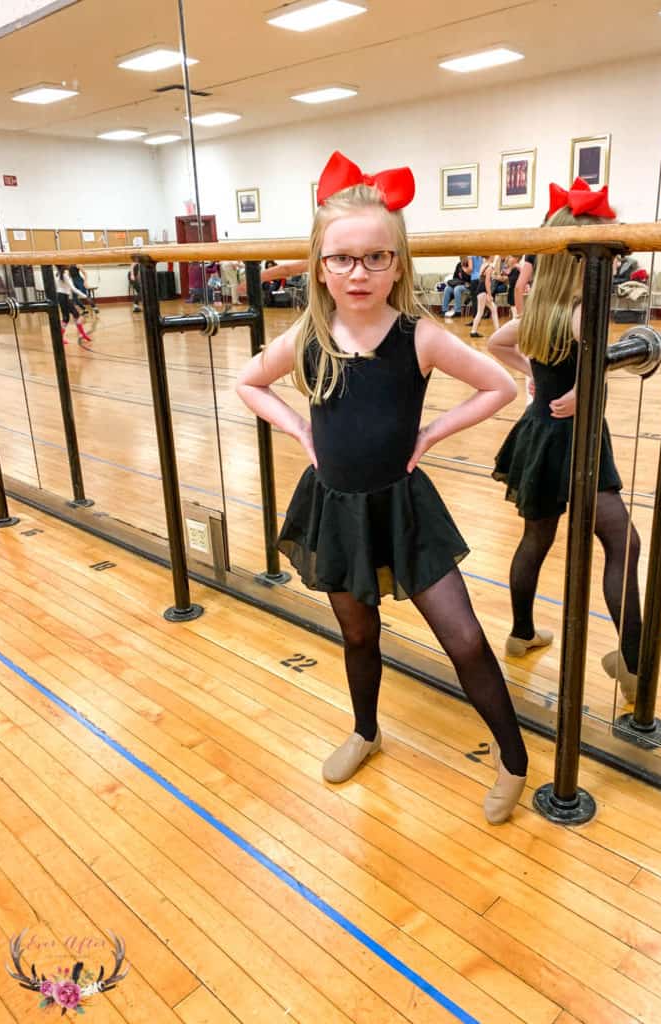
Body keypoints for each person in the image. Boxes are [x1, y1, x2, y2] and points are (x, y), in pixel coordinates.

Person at [236, 150, 528, 824]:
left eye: (375, 257)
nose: (358, 272)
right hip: (335, 509)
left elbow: (501, 385)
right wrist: (299, 434)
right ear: (320, 267)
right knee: (358, 634)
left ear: (398, 263)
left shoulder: (418, 335)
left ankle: (513, 759)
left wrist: (431, 437)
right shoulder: (309, 333)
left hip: (404, 511)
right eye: (342, 258)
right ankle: (366, 731)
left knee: (463, 639)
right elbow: (249, 383)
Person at [488, 178, 643, 703]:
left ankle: (521, 632)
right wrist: (582, 389)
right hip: (572, 438)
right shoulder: (583, 311)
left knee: (537, 537)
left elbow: (496, 341)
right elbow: (597, 364)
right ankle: (635, 663)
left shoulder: (541, 310)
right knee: (623, 542)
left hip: (539, 432)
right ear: (580, 261)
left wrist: (533, 372)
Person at [55, 265, 92, 344]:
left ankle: (82, 335)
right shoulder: (64, 274)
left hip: (63, 297)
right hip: (63, 297)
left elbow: (66, 288)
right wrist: (85, 296)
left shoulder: (59, 273)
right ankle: (82, 335)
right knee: (69, 317)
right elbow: (73, 288)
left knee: (73, 316)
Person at [469, 256, 500, 338]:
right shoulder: (489, 267)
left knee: (493, 308)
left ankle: (497, 329)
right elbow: (487, 282)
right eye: (493, 256)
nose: (494, 257)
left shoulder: (483, 265)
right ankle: (473, 331)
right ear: (490, 257)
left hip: (480, 291)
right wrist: (489, 294)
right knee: (481, 312)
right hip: (483, 291)